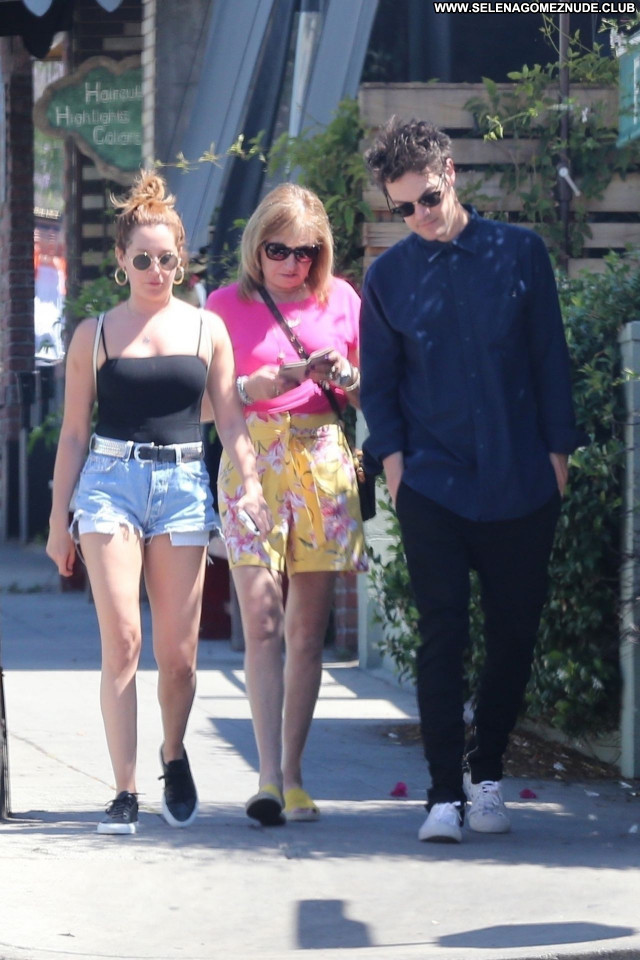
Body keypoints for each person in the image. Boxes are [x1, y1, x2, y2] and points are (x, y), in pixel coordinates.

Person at [360, 118, 586, 844]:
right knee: (442, 637)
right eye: (402, 208)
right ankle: (442, 796)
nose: (419, 216)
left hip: (522, 482)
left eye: (427, 198)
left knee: (513, 636)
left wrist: (557, 459)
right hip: (433, 487)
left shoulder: (519, 253)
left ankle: (486, 774)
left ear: (450, 174)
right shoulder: (386, 278)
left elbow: (550, 358)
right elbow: (380, 388)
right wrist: (397, 471)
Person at [46, 171, 270, 835]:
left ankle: (173, 753)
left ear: (182, 260)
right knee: (123, 638)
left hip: (181, 489)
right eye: (142, 260)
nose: (155, 271)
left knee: (178, 656)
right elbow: (72, 434)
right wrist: (58, 521)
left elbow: (231, 419)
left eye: (166, 259)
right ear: (121, 261)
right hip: (108, 484)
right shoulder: (94, 335)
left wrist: (252, 483)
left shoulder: (207, 330)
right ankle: (124, 788)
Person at [206, 183, 367, 826]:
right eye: (279, 249)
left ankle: (295, 775)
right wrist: (255, 385)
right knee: (262, 622)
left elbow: (373, 394)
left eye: (306, 252)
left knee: (306, 632)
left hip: (322, 460)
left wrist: (346, 377)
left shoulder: (343, 299)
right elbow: (204, 405)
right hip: (252, 459)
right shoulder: (222, 306)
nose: (292, 264)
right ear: (257, 245)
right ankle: (267, 778)